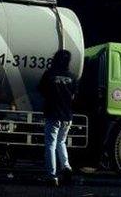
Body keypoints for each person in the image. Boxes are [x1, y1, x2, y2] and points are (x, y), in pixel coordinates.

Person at [38, 49, 77, 186]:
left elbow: (41, 90)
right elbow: (73, 96)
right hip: (67, 115)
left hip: (53, 113)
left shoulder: (49, 74)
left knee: (50, 144)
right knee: (61, 142)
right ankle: (66, 167)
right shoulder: (72, 77)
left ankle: (52, 175)